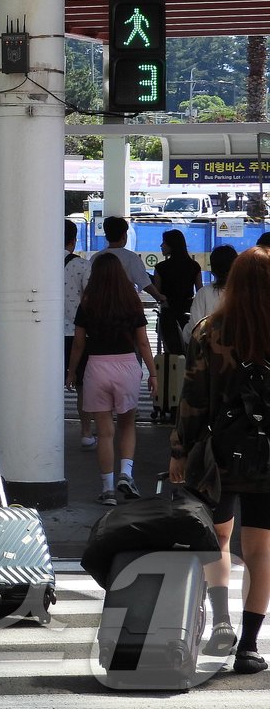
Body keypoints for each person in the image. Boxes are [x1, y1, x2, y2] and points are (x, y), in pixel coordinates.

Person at [171, 246, 270, 675]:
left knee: (220, 540)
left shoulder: (210, 331)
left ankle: (222, 622)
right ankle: (249, 645)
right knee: (262, 548)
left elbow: (191, 399)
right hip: (268, 456)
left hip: (218, 454)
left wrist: (180, 451)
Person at [67, 252, 157, 506]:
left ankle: (107, 490)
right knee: (128, 424)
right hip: (127, 365)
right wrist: (153, 372)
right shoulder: (132, 301)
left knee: (105, 432)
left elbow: (78, 344)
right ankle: (126, 474)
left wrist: (72, 372)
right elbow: (143, 342)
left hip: (97, 367)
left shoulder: (88, 303)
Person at [63, 220, 95, 450]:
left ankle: (43, 426)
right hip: (77, 333)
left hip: (45, 336)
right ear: (73, 242)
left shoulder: (39, 264)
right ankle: (85, 431)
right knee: (82, 384)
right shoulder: (83, 266)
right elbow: (90, 300)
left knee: (46, 383)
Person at [153, 228, 202, 355]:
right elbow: (200, 291)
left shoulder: (160, 268)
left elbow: (157, 294)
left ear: (171, 245)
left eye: (164, 243)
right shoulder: (194, 266)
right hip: (188, 312)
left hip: (168, 312)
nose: (161, 246)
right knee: (189, 349)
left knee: (171, 352)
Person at [99, 216, 165, 305]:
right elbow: (144, 282)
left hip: (100, 305)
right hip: (125, 306)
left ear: (106, 236)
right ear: (124, 236)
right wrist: (159, 296)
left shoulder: (96, 258)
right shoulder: (132, 258)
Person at [183, 244, 237, 346]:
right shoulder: (245, 293)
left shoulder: (203, 293)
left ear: (212, 270)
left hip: (210, 355)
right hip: (241, 354)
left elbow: (194, 330)